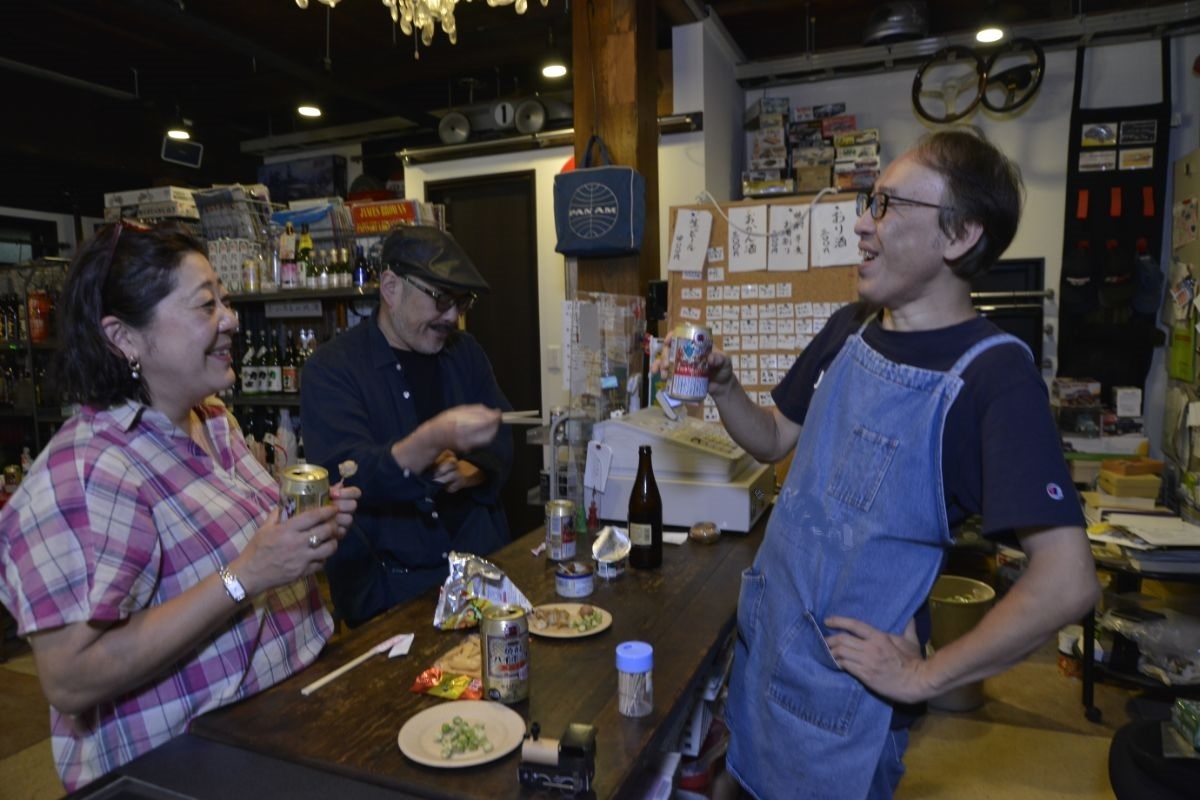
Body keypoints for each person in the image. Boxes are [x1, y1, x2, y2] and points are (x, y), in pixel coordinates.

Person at [681, 128, 1101, 799]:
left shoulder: (994, 378)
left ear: (960, 235)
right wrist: (725, 387)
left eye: (885, 206)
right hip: (765, 661)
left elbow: (1067, 582)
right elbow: (770, 440)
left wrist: (922, 678)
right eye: (867, 203)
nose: (861, 225)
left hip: (843, 709)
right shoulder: (852, 327)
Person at [0, 220, 360, 792]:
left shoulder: (213, 420)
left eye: (224, 298)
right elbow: (70, 679)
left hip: (280, 735)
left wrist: (302, 536)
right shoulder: (84, 474)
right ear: (124, 338)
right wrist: (247, 574)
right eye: (204, 304)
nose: (230, 318)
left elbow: (249, 556)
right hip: (183, 772)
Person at [300, 224, 512, 628]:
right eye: (440, 299)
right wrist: (430, 446)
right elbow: (348, 473)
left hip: (481, 573)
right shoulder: (333, 370)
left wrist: (473, 470)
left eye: (461, 302)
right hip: (392, 591)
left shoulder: (464, 353)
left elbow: (502, 430)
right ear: (391, 287)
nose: (451, 316)